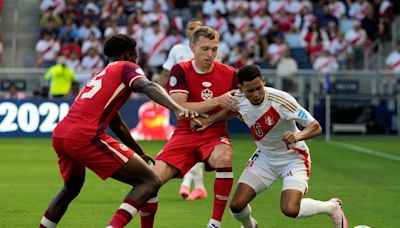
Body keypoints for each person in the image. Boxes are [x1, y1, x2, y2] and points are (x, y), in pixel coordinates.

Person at [39, 34, 199, 228]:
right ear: (130, 54)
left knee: (70, 189)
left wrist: (139, 151)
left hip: (62, 135)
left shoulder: (100, 74)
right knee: (150, 181)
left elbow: (117, 124)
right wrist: (177, 108)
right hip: (85, 136)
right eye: (136, 54)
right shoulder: (127, 67)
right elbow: (147, 85)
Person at [194, 65, 348, 228]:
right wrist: (209, 121)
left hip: (293, 158)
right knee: (236, 206)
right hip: (265, 158)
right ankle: (250, 226)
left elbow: (315, 126)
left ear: (263, 82)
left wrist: (298, 135)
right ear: (241, 89)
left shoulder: (281, 100)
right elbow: (231, 110)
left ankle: (331, 207)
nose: (256, 95)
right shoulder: (237, 98)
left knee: (290, 209)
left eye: (258, 88)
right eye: (250, 91)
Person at [138, 26, 239, 228]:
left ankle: (215, 224)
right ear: (191, 46)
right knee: (149, 181)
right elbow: (181, 105)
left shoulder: (230, 74)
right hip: (184, 134)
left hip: (215, 134)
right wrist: (219, 100)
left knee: (225, 156)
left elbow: (235, 108)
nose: (211, 54)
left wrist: (212, 119)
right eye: (205, 49)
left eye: (214, 49)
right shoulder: (180, 69)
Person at [160, 18, 208, 200]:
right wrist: (158, 92)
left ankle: (189, 184)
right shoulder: (177, 50)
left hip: (201, 103)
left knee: (194, 143)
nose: (192, 30)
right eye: (190, 28)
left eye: (196, 28)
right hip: (180, 102)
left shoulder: (208, 50)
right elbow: (166, 72)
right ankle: (197, 186)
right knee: (192, 143)